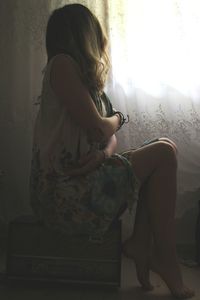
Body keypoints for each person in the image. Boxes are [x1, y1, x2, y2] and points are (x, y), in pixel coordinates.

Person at [30, 3, 194, 298]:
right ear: (84, 35)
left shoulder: (85, 81)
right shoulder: (62, 64)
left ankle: (142, 245)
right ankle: (162, 257)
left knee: (165, 147)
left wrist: (103, 153)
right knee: (164, 154)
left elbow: (107, 139)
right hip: (64, 196)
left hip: (82, 180)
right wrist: (118, 119)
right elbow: (101, 127)